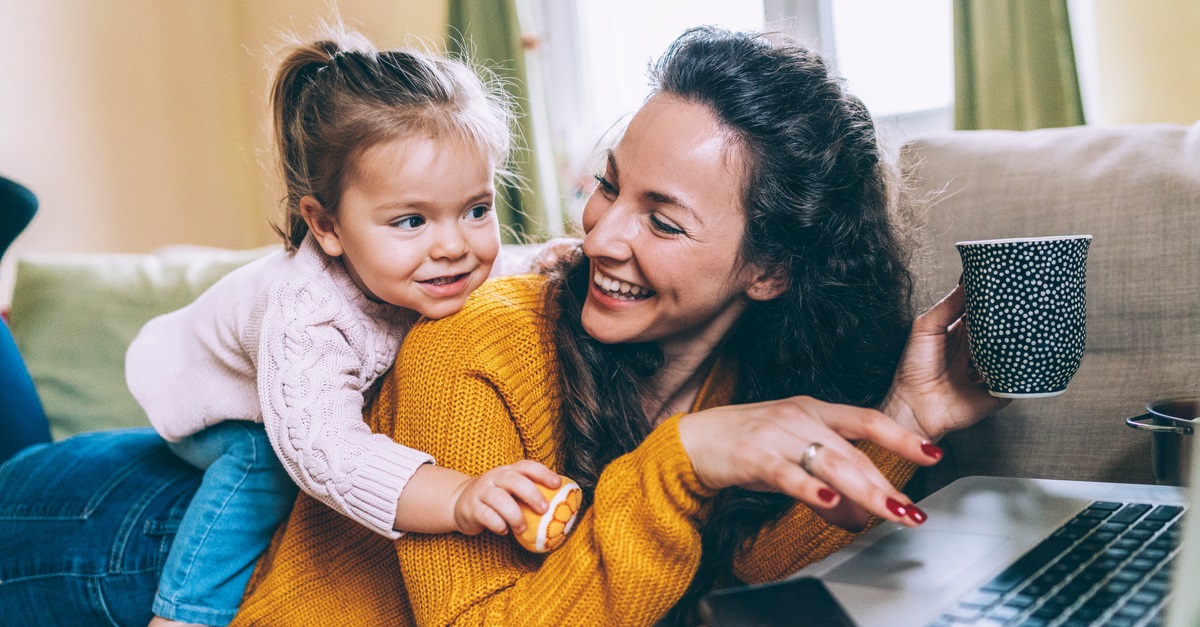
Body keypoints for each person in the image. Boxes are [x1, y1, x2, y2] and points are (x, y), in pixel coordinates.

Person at [0, 26, 1002, 626]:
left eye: (662, 217)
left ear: (771, 269)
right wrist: (680, 462)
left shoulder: (736, 373)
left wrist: (906, 422)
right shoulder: (470, 336)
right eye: (609, 187)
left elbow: (741, 563)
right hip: (126, 533)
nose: (602, 231)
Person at [123, 31, 563, 627]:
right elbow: (324, 451)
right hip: (209, 399)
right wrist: (457, 495)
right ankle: (185, 612)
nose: (456, 246)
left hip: (284, 384)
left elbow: (517, 263)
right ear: (326, 226)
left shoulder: (444, 265)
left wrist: (573, 257)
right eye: (411, 220)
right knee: (263, 466)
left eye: (476, 209)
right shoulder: (309, 313)